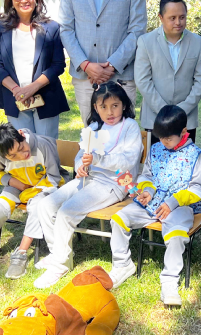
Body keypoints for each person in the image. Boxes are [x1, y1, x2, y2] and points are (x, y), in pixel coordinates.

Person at [34, 81, 143, 288]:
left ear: (123, 104)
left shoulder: (129, 126)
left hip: (114, 183)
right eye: (103, 107)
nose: (110, 112)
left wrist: (97, 160)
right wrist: (80, 167)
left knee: (66, 211)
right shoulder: (93, 128)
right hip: (88, 179)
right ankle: (58, 253)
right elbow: (80, 156)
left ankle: (59, 264)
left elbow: (128, 161)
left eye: (115, 106)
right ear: (95, 107)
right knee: (45, 205)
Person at [107, 105, 201, 305]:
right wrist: (148, 191)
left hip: (180, 207)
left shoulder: (194, 154)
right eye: (160, 137)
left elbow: (198, 187)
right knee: (118, 218)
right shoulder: (156, 149)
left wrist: (173, 202)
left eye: (168, 139)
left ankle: (170, 281)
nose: (163, 142)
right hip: (151, 202)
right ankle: (122, 264)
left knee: (176, 235)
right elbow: (147, 175)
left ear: (183, 132)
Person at [58, 0, 147, 124]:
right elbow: (66, 28)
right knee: (92, 134)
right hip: (85, 78)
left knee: (123, 134)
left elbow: (137, 29)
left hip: (121, 76)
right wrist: (86, 65)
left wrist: (112, 65)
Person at [0, 123, 63, 279]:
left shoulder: (42, 146)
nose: (21, 155)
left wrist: (30, 192)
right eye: (13, 156)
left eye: (21, 148)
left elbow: (54, 178)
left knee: (37, 206)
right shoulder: (0, 153)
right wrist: (13, 182)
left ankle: (21, 253)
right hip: (18, 186)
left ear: (21, 134)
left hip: (46, 187)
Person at [0, 0, 69, 140]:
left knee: (46, 148)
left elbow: (58, 65)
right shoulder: (0, 28)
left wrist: (32, 88)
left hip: (46, 97)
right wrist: (17, 91)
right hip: (14, 98)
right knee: (22, 148)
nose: (24, 0)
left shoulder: (52, 27)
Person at [135, 0, 201, 144]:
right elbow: (143, 80)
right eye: (172, 18)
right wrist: (165, 111)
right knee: (156, 157)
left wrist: (181, 111)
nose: (178, 22)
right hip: (155, 117)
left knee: (185, 157)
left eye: (182, 17)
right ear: (161, 17)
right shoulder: (146, 42)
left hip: (186, 118)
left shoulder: (197, 42)